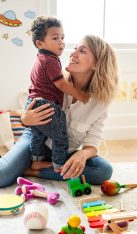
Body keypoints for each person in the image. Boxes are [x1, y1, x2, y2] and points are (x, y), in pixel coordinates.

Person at [0, 34, 118, 187]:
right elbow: (29, 109)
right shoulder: (54, 79)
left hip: (65, 152)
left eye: (82, 51)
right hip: (36, 141)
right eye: (75, 48)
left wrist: (82, 154)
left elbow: (92, 142)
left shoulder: (101, 101)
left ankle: (33, 171)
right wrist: (25, 119)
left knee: (103, 171)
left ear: (97, 64)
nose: (73, 53)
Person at [25, 16, 89, 172]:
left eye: (62, 37)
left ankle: (37, 160)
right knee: (60, 137)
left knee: (38, 136)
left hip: (32, 102)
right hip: (45, 104)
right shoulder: (50, 60)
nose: (61, 42)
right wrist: (80, 95)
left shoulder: (40, 58)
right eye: (55, 38)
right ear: (40, 43)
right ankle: (60, 165)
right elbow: (60, 83)